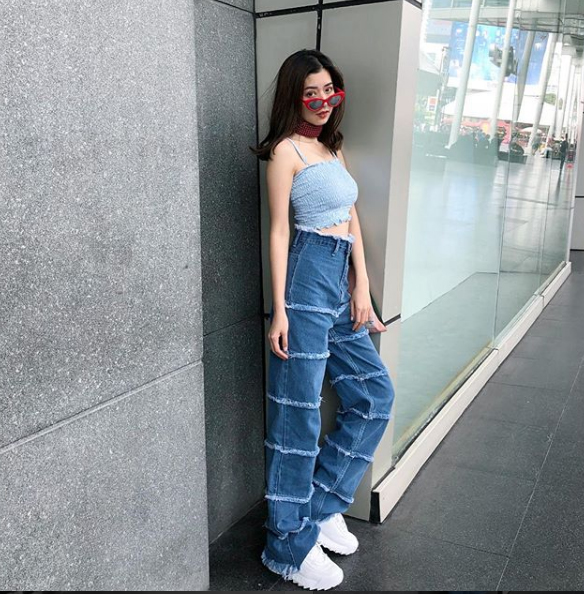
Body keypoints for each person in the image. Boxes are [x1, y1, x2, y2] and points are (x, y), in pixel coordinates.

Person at [250, 49, 395, 590]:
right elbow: (279, 231)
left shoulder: (332, 147)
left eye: (328, 90)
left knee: (373, 396)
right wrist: (280, 311)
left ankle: (321, 504)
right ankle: (286, 544)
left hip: (339, 278)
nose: (321, 100)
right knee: (299, 412)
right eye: (310, 92)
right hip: (306, 278)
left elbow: (350, 217)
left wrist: (362, 286)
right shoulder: (284, 152)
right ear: (295, 96)